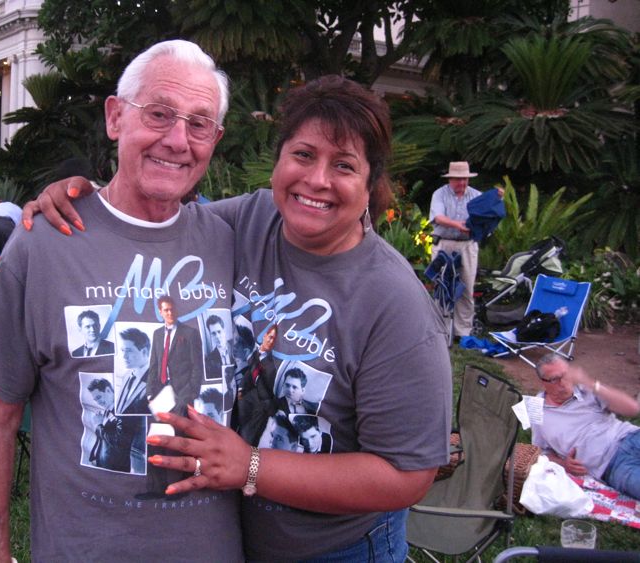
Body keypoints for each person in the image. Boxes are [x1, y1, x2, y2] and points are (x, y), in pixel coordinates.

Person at [28, 74, 452, 561]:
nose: (317, 180)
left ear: (370, 183)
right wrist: (86, 198)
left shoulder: (394, 304)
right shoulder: (247, 222)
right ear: (278, 162)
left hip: (337, 550)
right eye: (303, 154)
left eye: (344, 165)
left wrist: (251, 465)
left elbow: (407, 475)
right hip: (237, 538)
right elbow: (154, 219)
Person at [0, 40, 241, 561]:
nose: (178, 140)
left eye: (199, 124)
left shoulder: (233, 237)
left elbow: (328, 206)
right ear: (116, 117)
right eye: (159, 114)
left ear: (215, 139)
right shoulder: (42, 244)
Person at [531, 354, 640, 499]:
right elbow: (540, 452)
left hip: (630, 437)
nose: (563, 383)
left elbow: (633, 409)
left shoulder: (587, 390)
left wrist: (590, 383)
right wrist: (564, 464)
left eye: (565, 375)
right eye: (555, 379)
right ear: (543, 382)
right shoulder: (536, 408)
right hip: (611, 465)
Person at [429, 161, 482, 338]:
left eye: (465, 179)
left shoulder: (476, 196)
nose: (462, 183)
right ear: (450, 179)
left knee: (466, 287)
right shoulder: (440, 194)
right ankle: (440, 330)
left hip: (467, 245)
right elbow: (438, 216)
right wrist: (458, 225)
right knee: (441, 286)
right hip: (444, 243)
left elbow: (487, 215)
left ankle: (463, 331)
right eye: (458, 180)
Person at [146, 295, 204, 418]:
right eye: (166, 310)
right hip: (160, 393)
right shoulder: (157, 335)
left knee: (181, 433)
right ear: (160, 312)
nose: (170, 313)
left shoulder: (190, 333)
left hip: (183, 394)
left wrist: (190, 393)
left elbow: (197, 366)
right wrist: (150, 393)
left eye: (172, 309)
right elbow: (154, 365)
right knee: (164, 432)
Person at [116, 328, 150, 415]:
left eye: (129, 351)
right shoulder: (126, 376)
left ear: (144, 351)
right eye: (123, 350)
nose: (124, 356)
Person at [204, 313, 233, 378]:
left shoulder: (236, 346)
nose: (217, 336)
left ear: (224, 331)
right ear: (211, 335)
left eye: (219, 332)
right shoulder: (209, 361)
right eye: (213, 333)